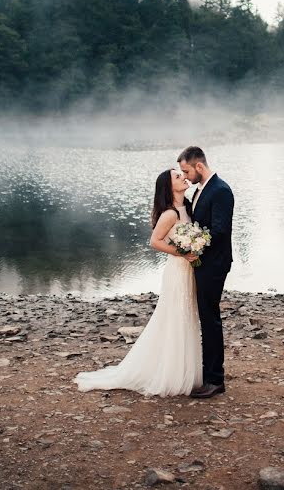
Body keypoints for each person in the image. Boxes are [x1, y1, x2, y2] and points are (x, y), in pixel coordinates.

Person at [74, 168, 202, 397]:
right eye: (177, 176)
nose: (183, 176)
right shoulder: (170, 214)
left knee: (186, 317)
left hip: (188, 271)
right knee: (174, 319)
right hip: (177, 272)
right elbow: (154, 242)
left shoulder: (187, 208)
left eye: (182, 174)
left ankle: (185, 370)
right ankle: (170, 374)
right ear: (168, 186)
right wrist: (182, 253)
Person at [177, 146, 234, 399]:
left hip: (214, 264)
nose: (186, 176)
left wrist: (192, 244)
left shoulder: (220, 191)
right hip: (204, 263)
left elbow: (219, 231)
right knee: (206, 317)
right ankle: (207, 372)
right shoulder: (201, 190)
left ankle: (215, 379)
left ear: (199, 166)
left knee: (210, 319)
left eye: (187, 171)